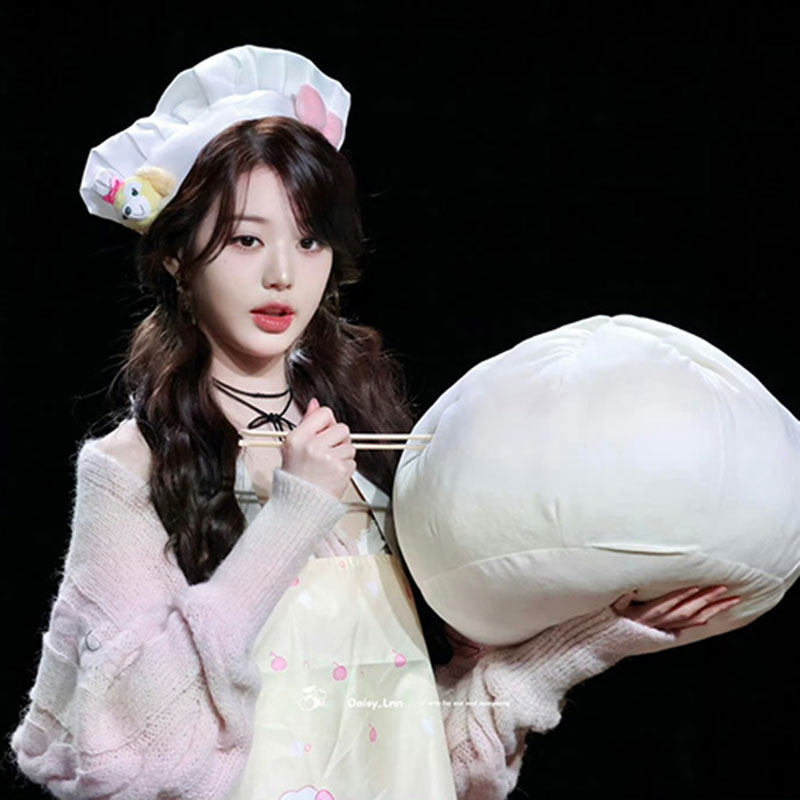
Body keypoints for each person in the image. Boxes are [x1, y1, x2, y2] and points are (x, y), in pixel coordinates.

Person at [8, 45, 741, 800]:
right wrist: (292, 518)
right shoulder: (131, 469)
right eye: (246, 239)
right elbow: (135, 752)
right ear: (175, 255)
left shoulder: (370, 447)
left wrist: (588, 640)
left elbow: (429, 746)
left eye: (310, 239)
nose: (283, 274)